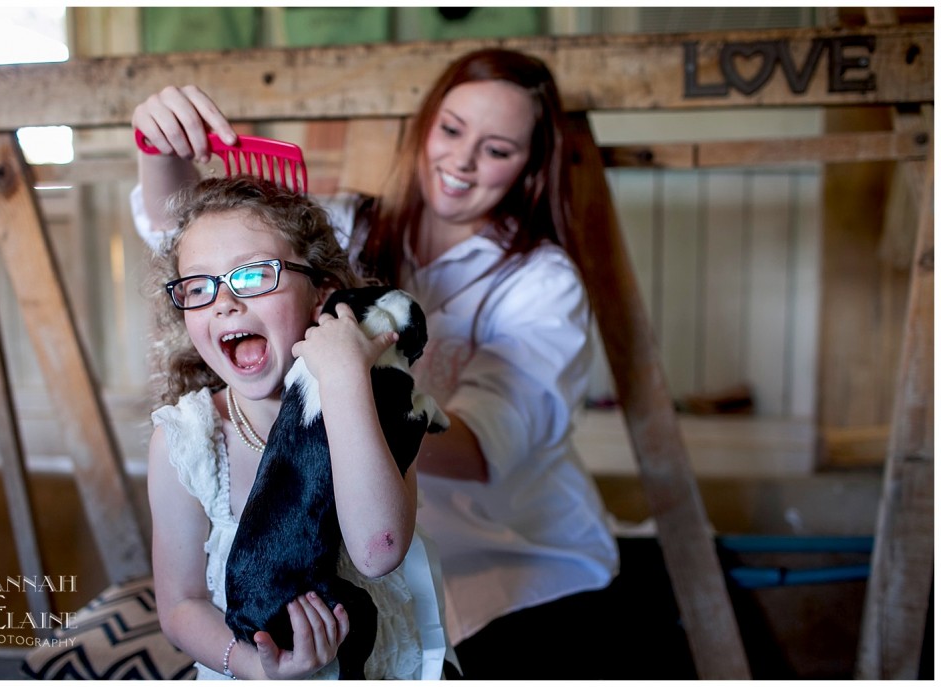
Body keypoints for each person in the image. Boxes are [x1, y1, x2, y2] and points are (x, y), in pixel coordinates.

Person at [132, 48, 620, 679]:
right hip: (335, 573)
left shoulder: (541, 282)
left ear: (530, 167)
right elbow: (199, 244)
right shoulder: (350, 226)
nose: (463, 161)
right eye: (451, 130)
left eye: (498, 149)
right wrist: (160, 150)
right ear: (424, 129)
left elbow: (485, 449)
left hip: (513, 562)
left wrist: (341, 397)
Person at [144, 175, 451, 680]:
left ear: (322, 296)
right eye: (198, 286)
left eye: (252, 275)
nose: (224, 301)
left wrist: (347, 377)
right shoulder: (188, 439)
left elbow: (379, 551)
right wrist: (264, 669)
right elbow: (181, 605)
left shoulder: (379, 412)